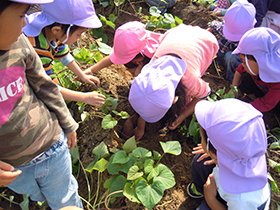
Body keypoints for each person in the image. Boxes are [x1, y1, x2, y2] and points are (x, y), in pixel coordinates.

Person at [0, 0, 83, 209]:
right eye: (20, 16)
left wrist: (67, 121)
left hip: (51, 145)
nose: (25, 23)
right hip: (13, 168)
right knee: (38, 194)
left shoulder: (19, 42)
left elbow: (45, 85)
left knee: (64, 197)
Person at [128, 24, 219, 140]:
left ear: (174, 99)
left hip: (207, 42)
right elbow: (146, 99)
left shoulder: (191, 81)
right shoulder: (151, 68)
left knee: (184, 101)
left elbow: (204, 94)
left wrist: (182, 116)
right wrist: (141, 127)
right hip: (177, 33)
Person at [188, 99, 270, 210]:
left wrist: (210, 199)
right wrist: (218, 157)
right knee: (201, 161)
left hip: (233, 204)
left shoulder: (243, 200)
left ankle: (206, 197)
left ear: (215, 152)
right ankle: (200, 190)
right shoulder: (251, 146)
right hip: (228, 188)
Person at [23, 0, 106, 107]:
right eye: (79, 33)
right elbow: (48, 86)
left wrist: (82, 75)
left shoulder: (51, 28)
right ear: (56, 30)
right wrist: (84, 97)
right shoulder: (36, 47)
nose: (80, 37)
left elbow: (63, 54)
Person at [84, 21, 164, 77]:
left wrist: (140, 77)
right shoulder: (136, 44)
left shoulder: (158, 58)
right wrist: (91, 70)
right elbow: (110, 60)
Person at [231, 27, 280, 113]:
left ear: (259, 61)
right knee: (246, 77)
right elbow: (239, 70)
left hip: (275, 100)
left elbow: (266, 103)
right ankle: (253, 97)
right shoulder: (255, 66)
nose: (243, 65)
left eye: (244, 62)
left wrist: (242, 109)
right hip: (263, 90)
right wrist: (234, 88)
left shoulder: (278, 82)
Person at [208, 0, 256, 82]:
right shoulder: (223, 28)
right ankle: (217, 66)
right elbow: (214, 26)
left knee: (231, 56)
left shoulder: (252, 40)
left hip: (235, 65)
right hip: (219, 58)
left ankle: (230, 79)